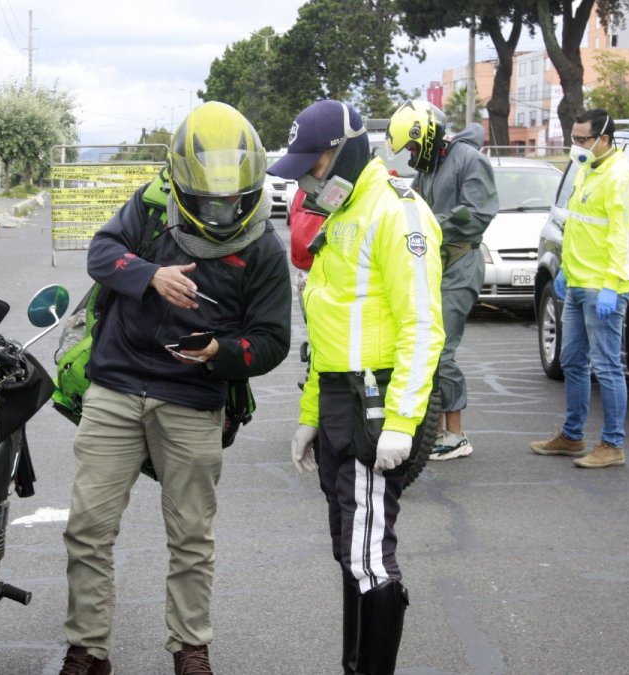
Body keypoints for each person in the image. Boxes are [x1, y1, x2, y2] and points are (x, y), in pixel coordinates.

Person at [58, 101, 292, 675]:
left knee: (191, 535)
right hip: (116, 385)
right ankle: (87, 650)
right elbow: (101, 253)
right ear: (183, 183)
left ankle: (191, 647)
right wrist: (150, 276)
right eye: (208, 200)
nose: (219, 211)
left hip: (193, 397)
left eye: (231, 200)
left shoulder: (262, 247)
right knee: (88, 529)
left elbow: (272, 341)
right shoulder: (152, 204)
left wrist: (219, 353)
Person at [274, 99, 444, 675]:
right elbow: (330, 327)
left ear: (341, 151)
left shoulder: (398, 213)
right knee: (350, 551)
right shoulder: (342, 210)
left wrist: (401, 423)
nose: (303, 179)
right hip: (339, 400)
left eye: (310, 165)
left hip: (378, 404)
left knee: (370, 557)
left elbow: (423, 326)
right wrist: (310, 412)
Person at [531, 108, 629, 468]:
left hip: (602, 288)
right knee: (572, 361)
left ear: (604, 140)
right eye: (573, 138)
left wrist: (612, 285)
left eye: (582, 139)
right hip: (578, 282)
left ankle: (612, 445)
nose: (575, 145)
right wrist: (564, 269)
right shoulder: (586, 170)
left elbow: (623, 237)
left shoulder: (621, 177)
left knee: (607, 366)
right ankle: (572, 436)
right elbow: (578, 226)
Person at [387, 100, 497, 461]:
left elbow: (479, 213)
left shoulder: (468, 160)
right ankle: (434, 429)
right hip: (436, 266)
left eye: (414, 147)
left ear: (429, 135)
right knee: (427, 347)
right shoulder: (430, 168)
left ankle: (456, 434)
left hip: (462, 264)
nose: (412, 154)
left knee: (442, 349)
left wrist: (433, 223)